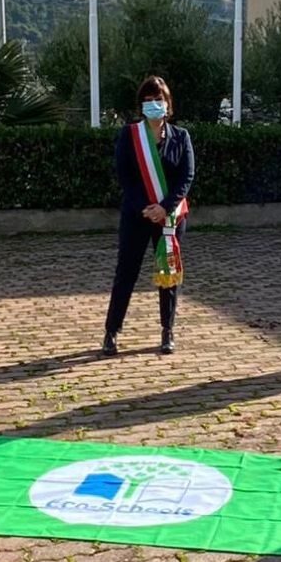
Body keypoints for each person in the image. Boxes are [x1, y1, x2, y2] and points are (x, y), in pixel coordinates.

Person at [101, 76, 195, 356]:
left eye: (160, 99)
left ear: (169, 105)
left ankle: (168, 331)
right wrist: (145, 206)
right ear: (142, 105)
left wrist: (164, 207)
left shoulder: (181, 137)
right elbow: (125, 176)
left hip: (170, 217)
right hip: (137, 215)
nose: (155, 104)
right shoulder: (130, 136)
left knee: (168, 275)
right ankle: (111, 332)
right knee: (126, 273)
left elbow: (186, 176)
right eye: (149, 100)